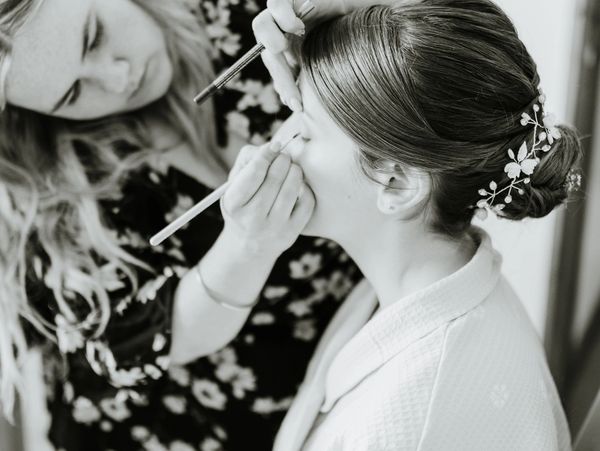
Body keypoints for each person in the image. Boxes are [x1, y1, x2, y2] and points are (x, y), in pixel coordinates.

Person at [0, 0, 385, 449]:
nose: (117, 78)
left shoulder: (244, 20)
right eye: (71, 95)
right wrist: (248, 246)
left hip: (362, 332)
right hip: (197, 428)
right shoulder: (55, 195)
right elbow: (141, 342)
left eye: (95, 36)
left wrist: (355, 13)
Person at [258, 1, 579, 449]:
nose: (279, 143)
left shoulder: (412, 423)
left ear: (396, 182)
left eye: (304, 130)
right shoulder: (406, 285)